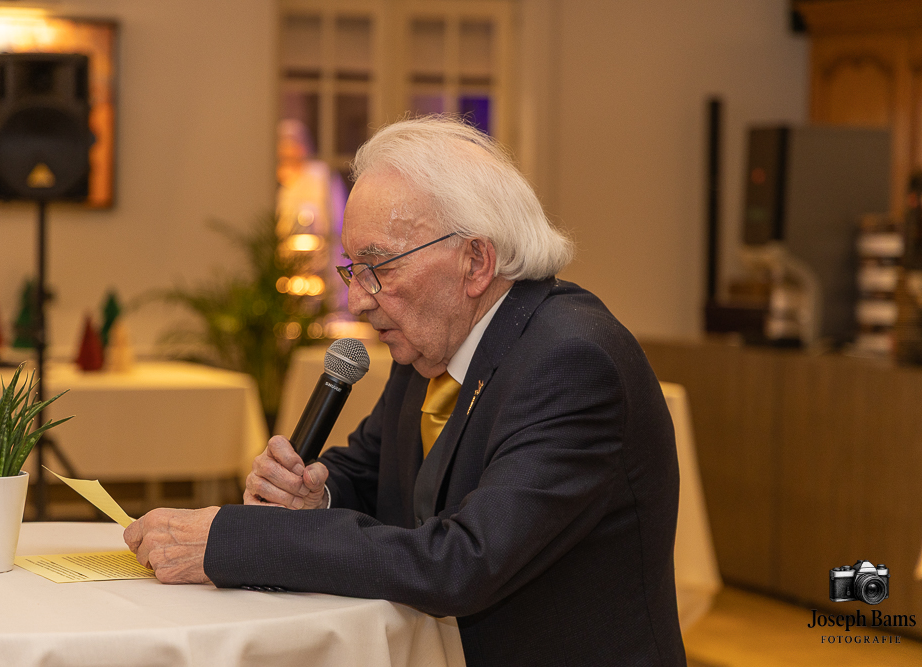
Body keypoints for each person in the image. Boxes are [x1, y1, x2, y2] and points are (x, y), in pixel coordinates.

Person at [125, 117, 687, 666]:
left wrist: (241, 542)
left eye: (380, 267)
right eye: (353, 269)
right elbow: (369, 474)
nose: (358, 300)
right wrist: (312, 497)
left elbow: (463, 562)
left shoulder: (572, 361)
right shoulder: (431, 344)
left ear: (475, 261)